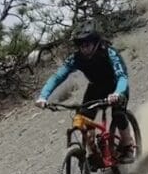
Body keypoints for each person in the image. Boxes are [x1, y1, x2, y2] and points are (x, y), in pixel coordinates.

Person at [36, 22, 136, 161]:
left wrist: (118, 93)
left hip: (116, 86)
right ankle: (94, 153)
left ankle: (128, 146)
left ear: (96, 43)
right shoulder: (76, 58)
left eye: (87, 44)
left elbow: (122, 76)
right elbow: (58, 77)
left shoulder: (109, 52)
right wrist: (43, 96)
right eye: (81, 45)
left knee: (118, 114)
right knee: (82, 120)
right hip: (95, 88)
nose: (83, 48)